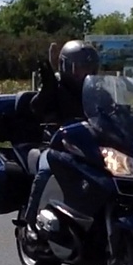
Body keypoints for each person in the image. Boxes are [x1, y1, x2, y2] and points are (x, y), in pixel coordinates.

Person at [23, 39, 100, 241]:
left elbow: (111, 111)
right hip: (55, 145)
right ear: (66, 67)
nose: (84, 74)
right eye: (79, 68)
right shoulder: (55, 86)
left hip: (86, 147)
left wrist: (128, 113)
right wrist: (47, 88)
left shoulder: (97, 91)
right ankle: (30, 224)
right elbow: (36, 108)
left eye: (89, 69)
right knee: (47, 170)